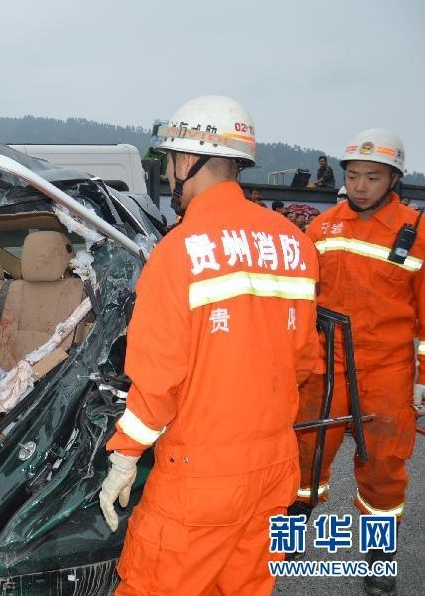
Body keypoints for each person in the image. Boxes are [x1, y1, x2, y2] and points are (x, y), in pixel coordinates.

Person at [98, 95, 319, 594]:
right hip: (273, 470)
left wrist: (125, 456)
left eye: (169, 161)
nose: (169, 174)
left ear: (188, 161)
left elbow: (158, 381)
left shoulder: (179, 252)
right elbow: (304, 361)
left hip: (199, 481)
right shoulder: (295, 245)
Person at [290, 128, 421, 595]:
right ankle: (292, 532)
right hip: (325, 367)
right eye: (353, 175)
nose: (361, 185)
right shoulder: (322, 229)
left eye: (373, 176)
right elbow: (301, 299)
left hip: (386, 372)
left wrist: (421, 382)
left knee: (383, 467)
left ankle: (379, 554)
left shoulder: (417, 235)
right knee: (305, 455)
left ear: (393, 180)